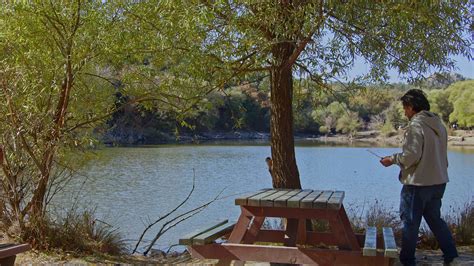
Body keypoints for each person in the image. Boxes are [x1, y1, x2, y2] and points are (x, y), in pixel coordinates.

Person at [379, 89, 458, 266]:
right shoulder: (438, 124)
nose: (405, 112)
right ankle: (451, 255)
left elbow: (411, 156)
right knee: (435, 219)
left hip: (418, 183)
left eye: (405, 108)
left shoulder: (416, 125)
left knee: (410, 222)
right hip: (439, 181)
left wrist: (391, 159)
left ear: (412, 107)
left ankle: (407, 261)